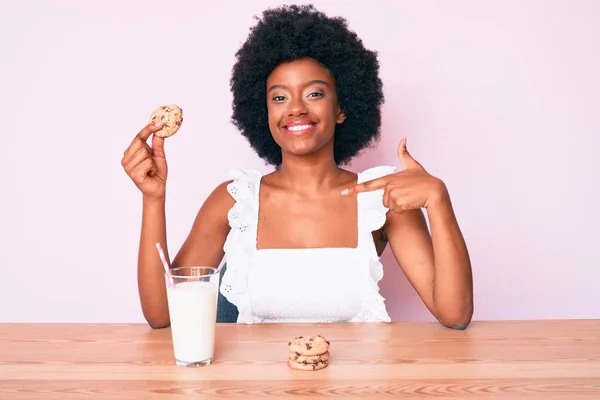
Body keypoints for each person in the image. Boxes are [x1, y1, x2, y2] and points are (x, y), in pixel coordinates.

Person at [121, 4, 473, 329]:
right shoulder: (236, 200)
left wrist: (438, 199)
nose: (296, 108)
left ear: (342, 108)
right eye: (279, 97)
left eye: (315, 93)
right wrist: (153, 198)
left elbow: (455, 314)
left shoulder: (381, 199)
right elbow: (162, 315)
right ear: (265, 114)